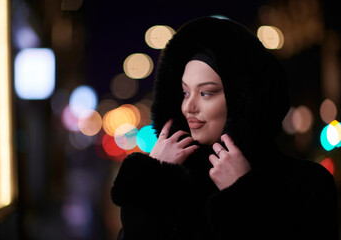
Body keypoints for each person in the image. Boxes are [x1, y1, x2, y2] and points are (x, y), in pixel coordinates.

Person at [111, 16, 339, 240]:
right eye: (185, 92)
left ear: (244, 99)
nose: (188, 106)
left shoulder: (306, 184)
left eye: (206, 93)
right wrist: (154, 181)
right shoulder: (173, 183)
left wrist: (242, 197)